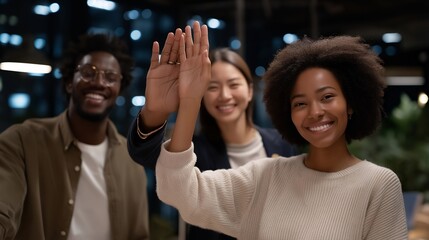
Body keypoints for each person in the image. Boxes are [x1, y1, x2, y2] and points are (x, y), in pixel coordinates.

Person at [134, 23, 408, 239]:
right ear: (288, 112)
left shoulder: (379, 185)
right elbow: (177, 190)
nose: (314, 112)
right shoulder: (264, 177)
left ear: (350, 103)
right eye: (300, 103)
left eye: (327, 97)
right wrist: (191, 99)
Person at [127, 28, 297, 239]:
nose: (224, 96)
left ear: (250, 90)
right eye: (212, 87)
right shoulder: (193, 150)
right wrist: (156, 111)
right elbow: (146, 156)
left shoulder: (280, 142)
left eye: (234, 84)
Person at [0, 33, 150, 239]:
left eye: (110, 77)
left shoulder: (132, 161)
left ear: (119, 89)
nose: (99, 82)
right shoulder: (22, 141)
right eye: (88, 73)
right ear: (70, 82)